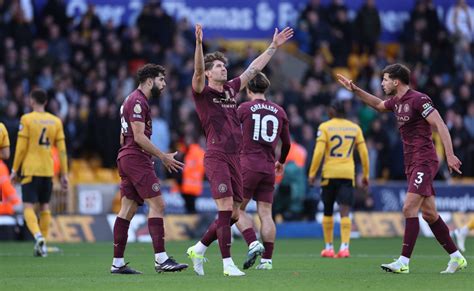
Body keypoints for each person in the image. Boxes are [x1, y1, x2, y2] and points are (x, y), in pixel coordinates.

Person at [336, 63, 467, 274]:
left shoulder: (419, 99)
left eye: (385, 79)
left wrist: (450, 155)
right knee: (430, 214)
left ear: (396, 81)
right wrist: (356, 90)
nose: (382, 83)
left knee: (408, 208)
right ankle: (457, 257)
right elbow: (378, 105)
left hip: (424, 160)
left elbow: (440, 124)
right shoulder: (397, 101)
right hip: (411, 162)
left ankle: (403, 262)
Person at [186, 24, 293, 277]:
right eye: (219, 66)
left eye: (224, 65)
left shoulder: (232, 89)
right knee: (225, 209)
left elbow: (254, 68)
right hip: (217, 155)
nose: (224, 68)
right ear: (210, 74)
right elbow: (198, 70)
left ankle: (199, 248)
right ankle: (227, 264)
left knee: (234, 212)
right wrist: (200, 45)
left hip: (236, 158)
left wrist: (273, 47)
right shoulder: (202, 91)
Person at [111, 64, 188, 274]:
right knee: (158, 204)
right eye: (161, 80)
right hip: (135, 157)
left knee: (127, 209)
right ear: (149, 80)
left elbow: (122, 136)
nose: (163, 85)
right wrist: (161, 156)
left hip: (127, 156)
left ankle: (117, 263)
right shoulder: (138, 101)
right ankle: (161, 259)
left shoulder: (130, 99)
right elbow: (138, 136)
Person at [235, 72, 291, 271]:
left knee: (236, 210)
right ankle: (267, 260)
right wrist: (281, 161)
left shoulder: (244, 108)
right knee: (266, 214)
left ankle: (252, 242)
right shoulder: (279, 110)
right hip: (268, 167)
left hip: (247, 164)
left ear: (248, 89)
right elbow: (287, 143)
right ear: (265, 88)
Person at [10, 89, 68, 257]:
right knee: (45, 206)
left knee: (28, 206)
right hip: (48, 170)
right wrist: (64, 174)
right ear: (46, 102)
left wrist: (15, 170)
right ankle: (44, 243)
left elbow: (21, 148)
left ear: (31, 101)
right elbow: (62, 150)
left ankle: (38, 236)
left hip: (30, 169)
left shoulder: (26, 119)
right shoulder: (55, 121)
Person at [308, 100, 369, 259]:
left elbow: (318, 152)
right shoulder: (355, 128)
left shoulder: (325, 127)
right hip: (347, 174)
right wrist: (366, 174)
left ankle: (328, 248)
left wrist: (312, 173)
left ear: (332, 111)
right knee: (345, 211)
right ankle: (344, 248)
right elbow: (364, 153)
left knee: (328, 210)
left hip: (329, 174)